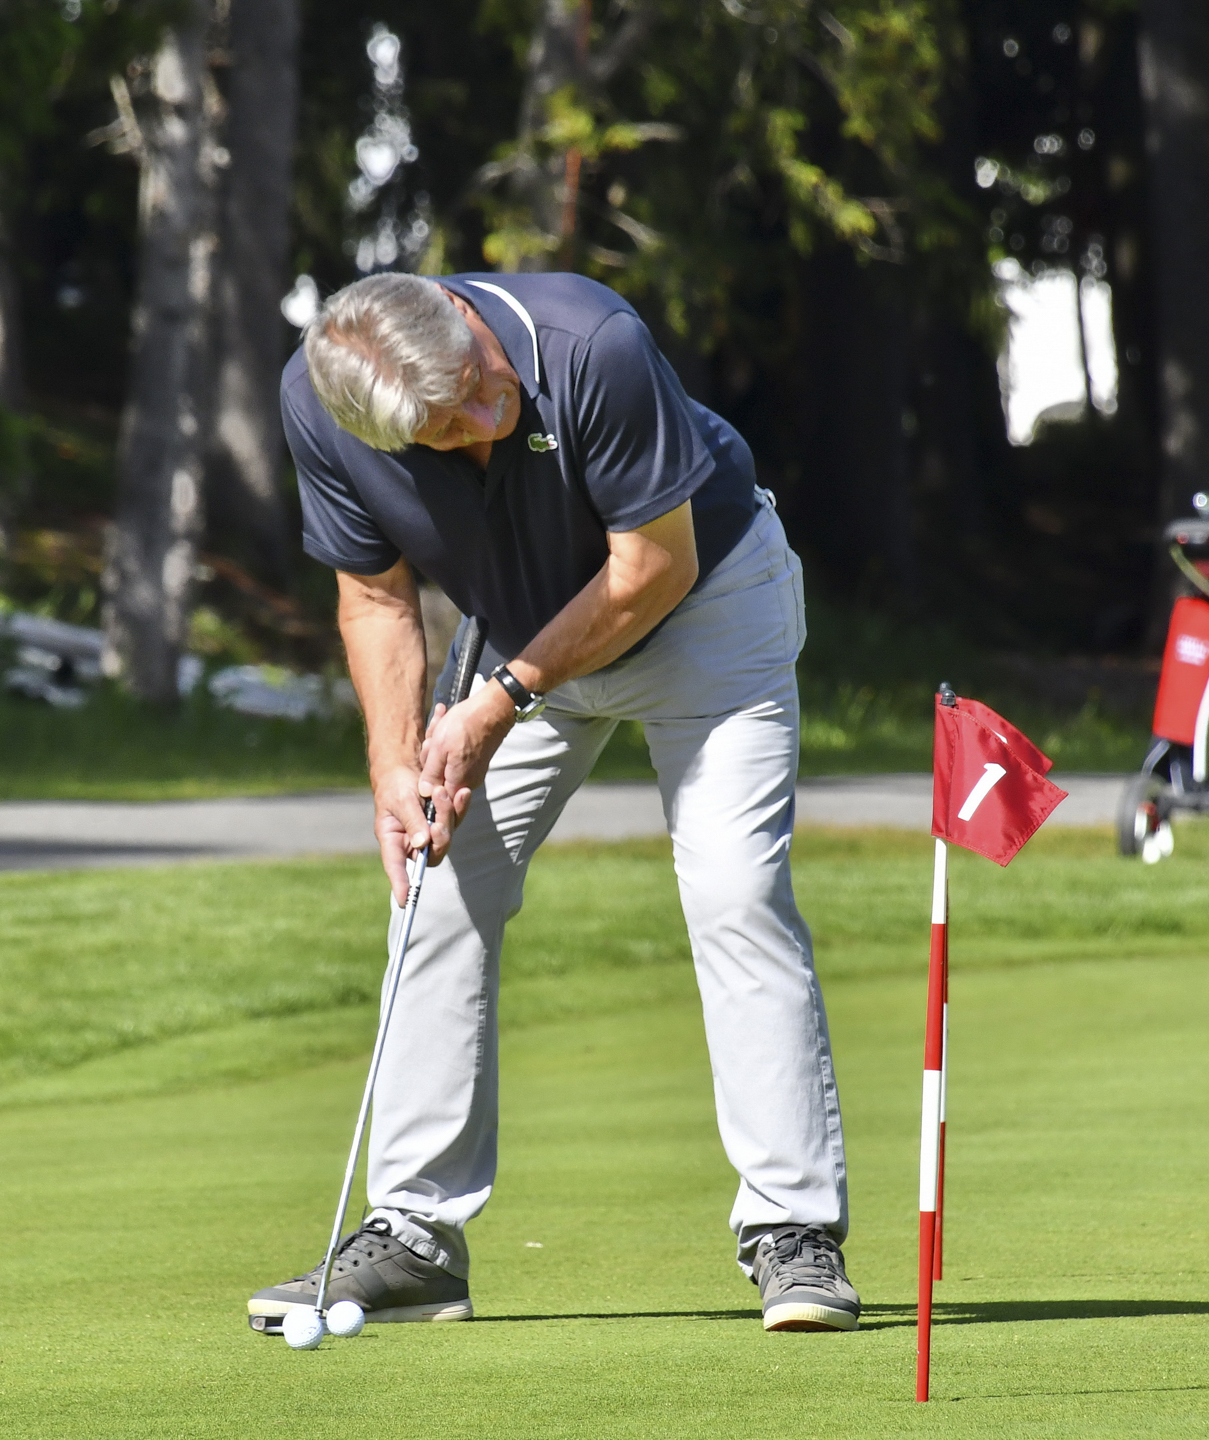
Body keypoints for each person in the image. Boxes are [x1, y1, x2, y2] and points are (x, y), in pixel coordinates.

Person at [246, 271, 855, 1334]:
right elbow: (375, 597)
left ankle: (791, 1233)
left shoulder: (590, 344)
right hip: (522, 633)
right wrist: (393, 767)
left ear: (463, 319)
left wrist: (500, 700)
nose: (486, 416)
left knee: (734, 893)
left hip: (704, 605)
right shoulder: (317, 402)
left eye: (481, 385)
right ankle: (415, 1238)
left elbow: (653, 566)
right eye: (448, 427)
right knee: (433, 887)